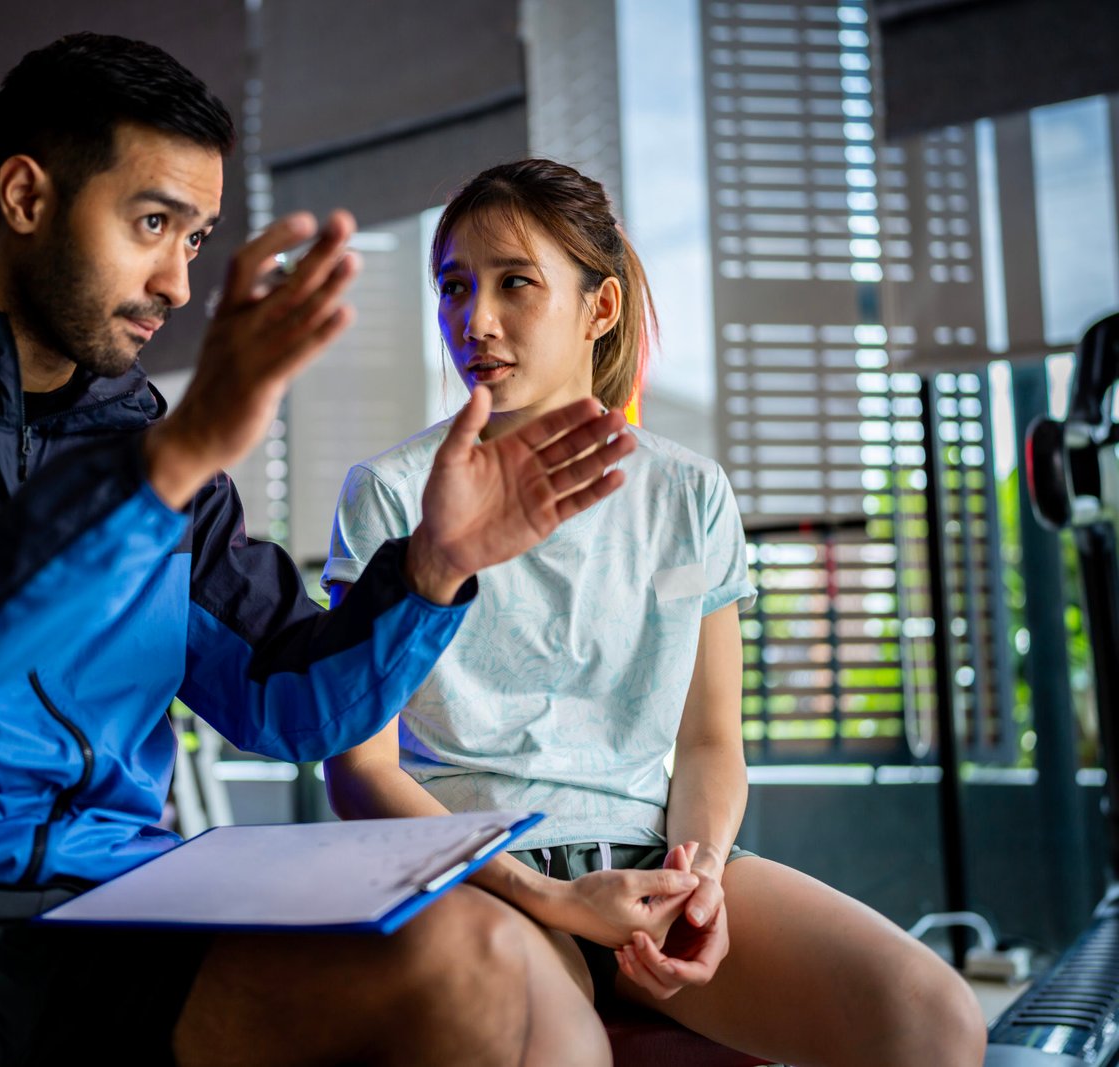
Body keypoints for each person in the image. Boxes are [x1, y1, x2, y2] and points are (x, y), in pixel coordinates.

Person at [0, 35, 653, 1067]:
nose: (175, 281)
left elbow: (283, 704)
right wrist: (172, 454)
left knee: (467, 955)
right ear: (25, 197)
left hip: (113, 899)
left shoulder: (153, 447)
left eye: (195, 239)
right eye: (151, 222)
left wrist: (431, 569)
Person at [323, 158, 988, 1067]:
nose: (473, 321)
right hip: (475, 871)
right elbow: (359, 770)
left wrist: (700, 876)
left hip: (647, 858)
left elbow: (712, 743)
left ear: (598, 309)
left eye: (515, 283)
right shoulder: (391, 494)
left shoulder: (689, 494)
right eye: (454, 287)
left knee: (934, 1020)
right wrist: (550, 897)